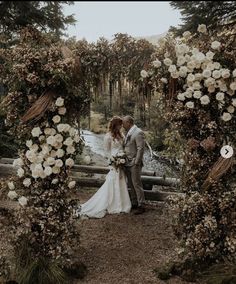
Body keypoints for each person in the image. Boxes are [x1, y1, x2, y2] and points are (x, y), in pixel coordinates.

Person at [78, 116, 131, 218]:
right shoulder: (108, 136)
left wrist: (123, 157)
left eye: (121, 125)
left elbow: (123, 147)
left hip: (121, 161)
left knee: (121, 180)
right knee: (112, 181)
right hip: (114, 162)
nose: (121, 127)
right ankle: (113, 204)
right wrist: (113, 161)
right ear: (115, 125)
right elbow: (106, 151)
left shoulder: (121, 135)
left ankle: (122, 204)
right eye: (120, 125)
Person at [122, 115, 146, 215]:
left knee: (136, 184)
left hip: (134, 163)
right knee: (131, 184)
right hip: (127, 162)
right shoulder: (128, 132)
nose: (122, 125)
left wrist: (137, 162)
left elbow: (141, 148)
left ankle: (141, 205)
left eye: (124, 123)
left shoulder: (138, 132)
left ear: (129, 122)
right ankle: (134, 203)